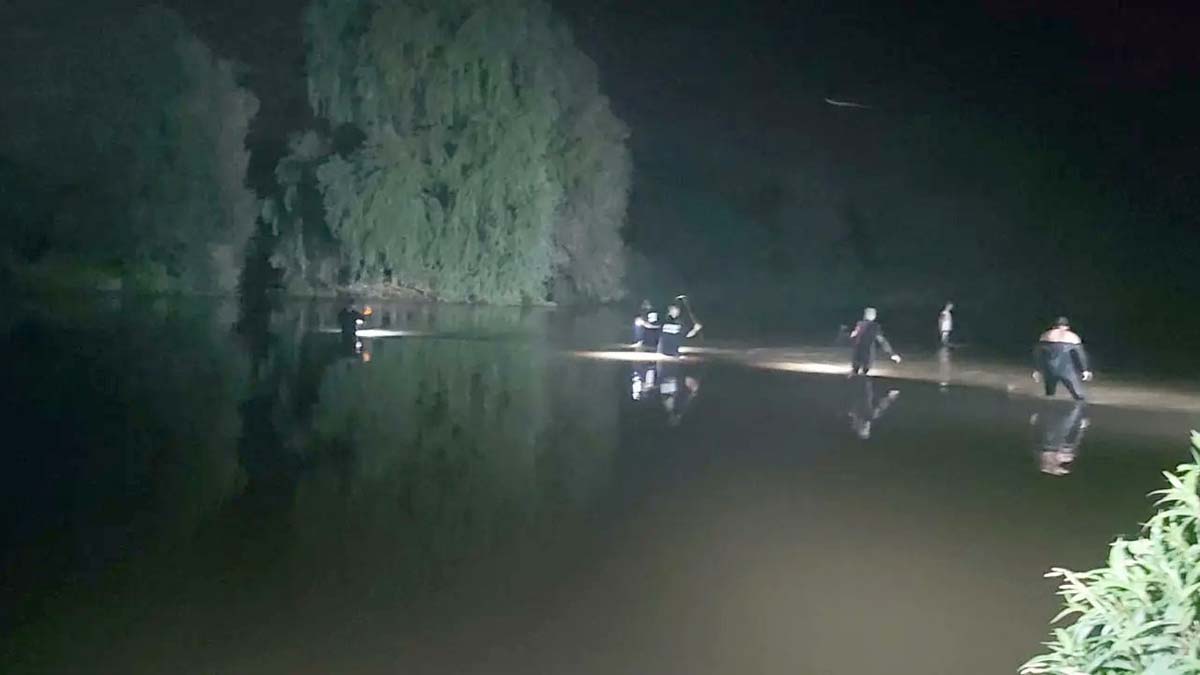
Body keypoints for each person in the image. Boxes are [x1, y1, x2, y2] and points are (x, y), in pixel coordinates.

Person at [1033, 316, 1092, 401]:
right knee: (1079, 397)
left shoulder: (1046, 335)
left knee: (1049, 395)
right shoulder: (1073, 337)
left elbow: (1037, 354)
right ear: (1067, 327)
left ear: (1054, 326)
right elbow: (1081, 355)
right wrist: (1085, 370)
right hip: (1066, 370)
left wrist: (1037, 369)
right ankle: (1078, 412)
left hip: (1049, 370)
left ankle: (1045, 412)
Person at [1031, 401, 1090, 476]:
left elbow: (1037, 438)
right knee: (1069, 421)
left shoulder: (1044, 451)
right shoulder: (1065, 455)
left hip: (1052, 440)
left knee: (1058, 422)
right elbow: (1075, 441)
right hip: (1057, 440)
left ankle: (1076, 405)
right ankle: (1078, 405)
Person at [848, 307, 901, 376]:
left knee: (856, 370)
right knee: (864, 371)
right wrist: (891, 353)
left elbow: (853, 336)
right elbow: (882, 340)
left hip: (858, 351)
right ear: (874, 316)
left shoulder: (860, 324)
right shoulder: (874, 326)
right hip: (867, 352)